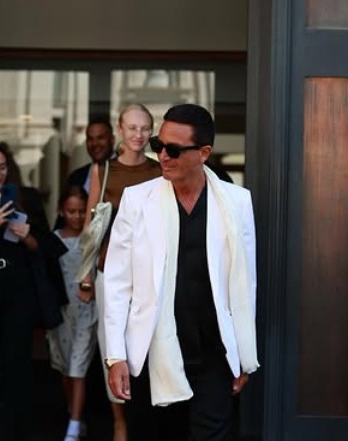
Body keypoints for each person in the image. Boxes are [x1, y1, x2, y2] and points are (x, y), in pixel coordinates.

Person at [104, 103, 259, 440]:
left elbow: (245, 285)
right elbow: (117, 284)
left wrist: (244, 355)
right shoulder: (136, 200)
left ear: (203, 153)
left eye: (173, 150)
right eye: (158, 146)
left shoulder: (236, 202)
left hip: (214, 352)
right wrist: (115, 356)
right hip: (152, 350)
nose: (162, 156)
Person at [0, 139, 67, 440]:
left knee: (19, 370)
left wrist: (27, 236)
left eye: (2, 167)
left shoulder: (26, 198)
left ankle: (20, 430)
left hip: (20, 293)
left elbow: (46, 249)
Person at [80, 103, 163, 441]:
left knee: (150, 345)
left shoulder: (160, 171)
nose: (138, 135)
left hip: (150, 275)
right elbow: (90, 228)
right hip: (109, 272)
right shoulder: (103, 170)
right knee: (111, 348)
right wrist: (85, 276)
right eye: (132, 128)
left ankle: (147, 416)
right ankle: (119, 421)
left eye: (144, 128)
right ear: (120, 130)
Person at [46, 185, 98, 441]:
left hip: (87, 311)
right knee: (66, 369)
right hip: (62, 313)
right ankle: (74, 414)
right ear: (61, 211)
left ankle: (73, 428)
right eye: (71, 211)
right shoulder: (54, 239)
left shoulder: (93, 239)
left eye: (81, 211)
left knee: (78, 368)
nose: (76, 217)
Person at [68, 117, 116, 192]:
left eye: (100, 138)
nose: (94, 143)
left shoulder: (125, 171)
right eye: (90, 139)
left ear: (112, 140)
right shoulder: (76, 177)